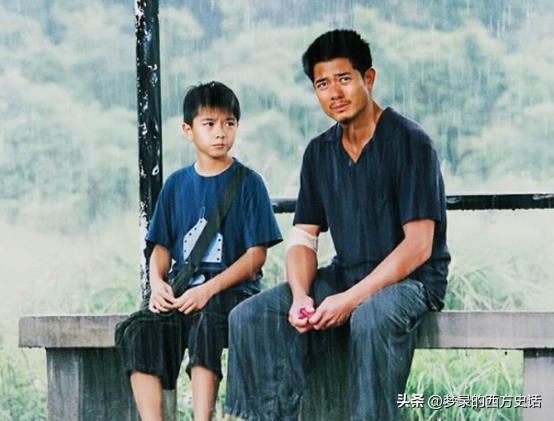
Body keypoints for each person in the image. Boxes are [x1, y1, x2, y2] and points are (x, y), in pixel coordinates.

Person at [224, 29, 450, 420]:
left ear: (368, 78)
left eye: (344, 78)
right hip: (346, 274)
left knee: (371, 317)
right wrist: (300, 297)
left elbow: (419, 246)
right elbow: (303, 237)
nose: (335, 93)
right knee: (250, 317)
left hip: (412, 282)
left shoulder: (410, 142)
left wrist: (351, 299)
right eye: (322, 84)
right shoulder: (319, 151)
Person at [119, 81, 282, 421]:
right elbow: (161, 246)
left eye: (229, 123)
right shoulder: (176, 185)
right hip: (184, 292)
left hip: (234, 292)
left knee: (206, 321)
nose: (220, 132)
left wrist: (208, 290)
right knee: (139, 328)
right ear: (188, 130)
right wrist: (158, 284)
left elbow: (256, 256)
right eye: (209, 123)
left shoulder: (249, 183)